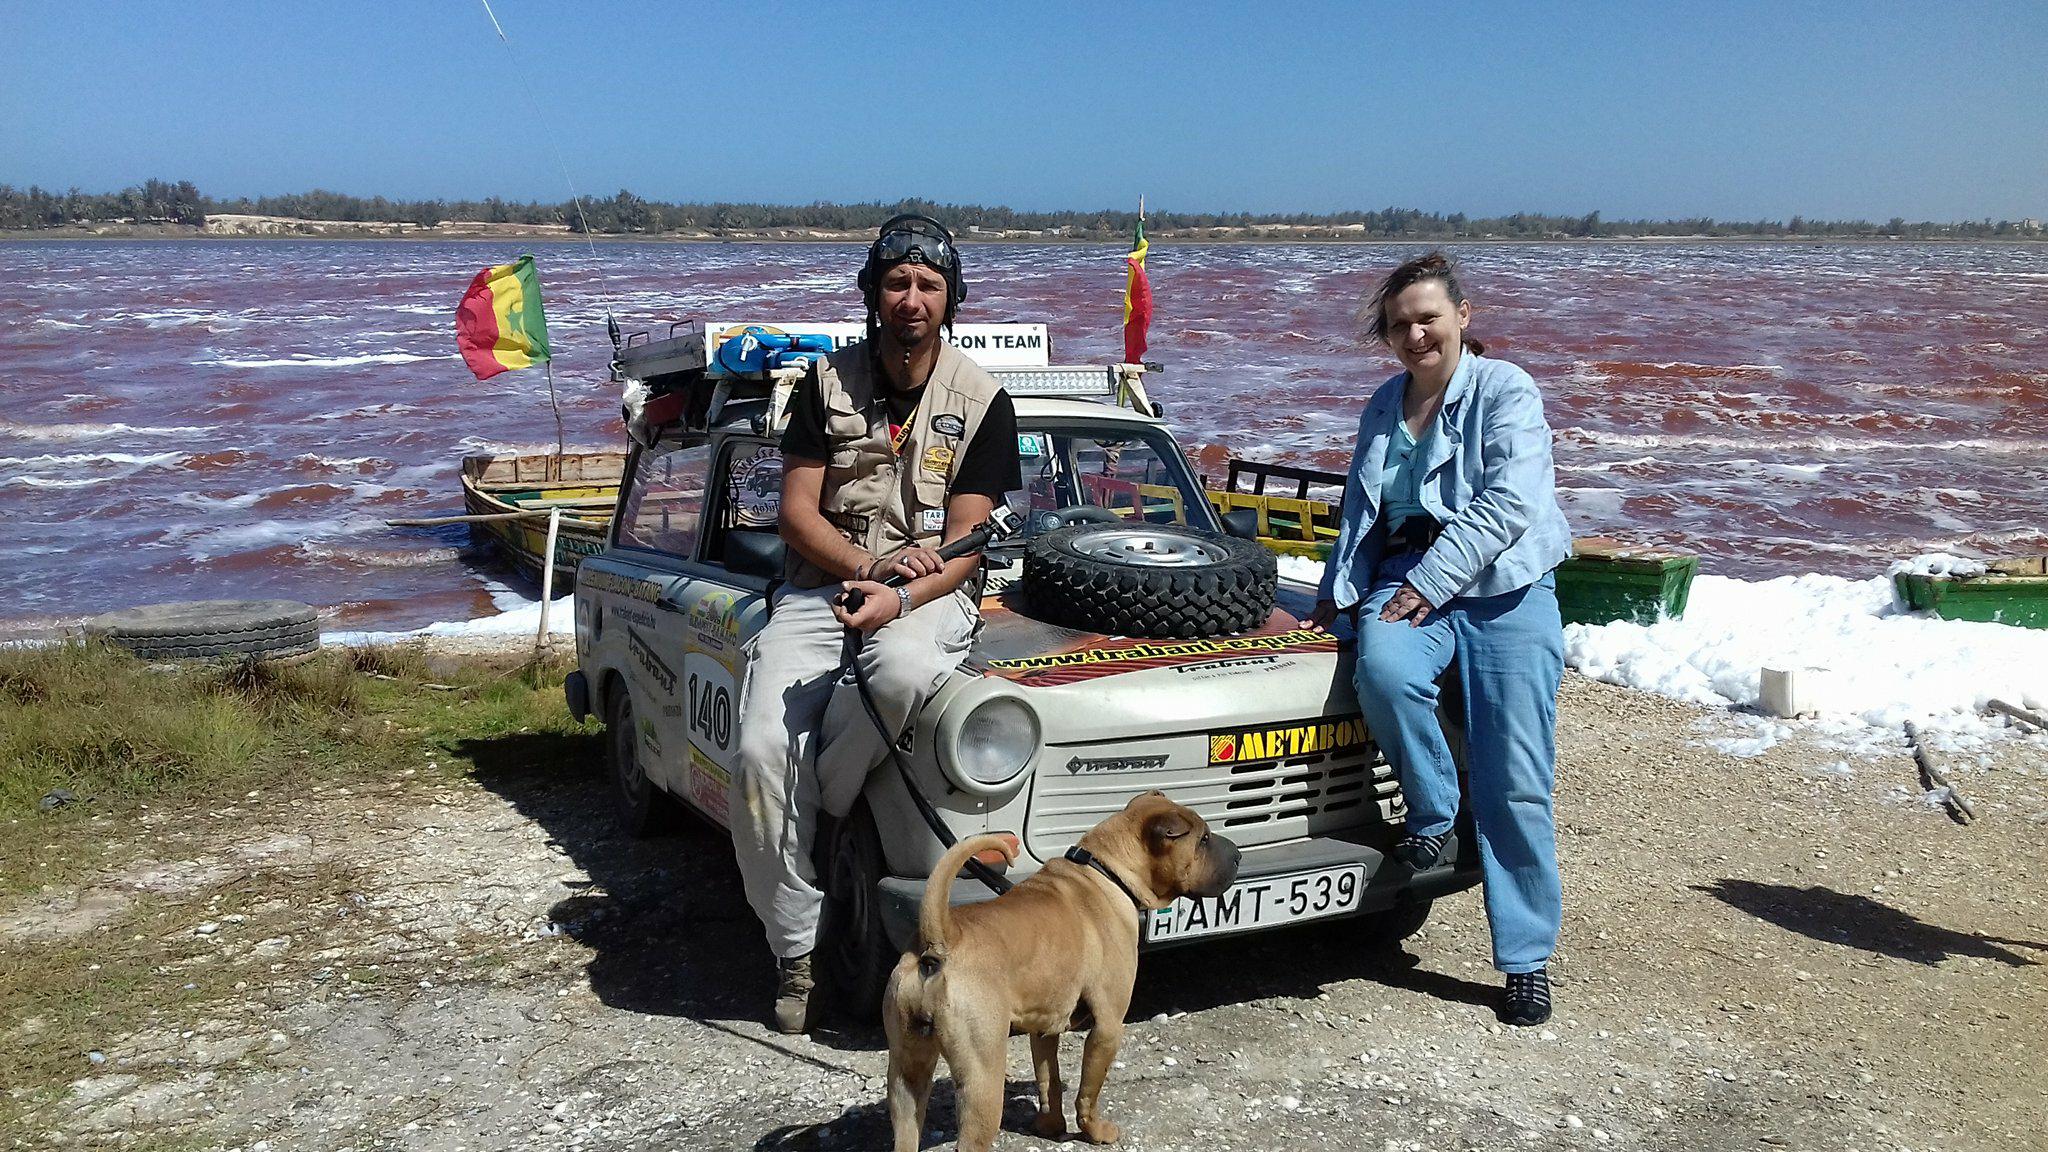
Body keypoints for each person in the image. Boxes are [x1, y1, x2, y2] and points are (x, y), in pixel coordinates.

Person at [730, 214, 1021, 1033]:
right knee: (758, 751)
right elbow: (794, 512)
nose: (912, 299)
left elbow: (968, 540)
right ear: (872, 293)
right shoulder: (824, 385)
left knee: (896, 675)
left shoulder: (984, 399)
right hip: (821, 590)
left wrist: (901, 595)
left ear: (951, 299)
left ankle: (814, 808)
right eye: (897, 282)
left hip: (926, 598)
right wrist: (864, 570)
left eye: (929, 285)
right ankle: (794, 951)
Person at [1307, 252, 1573, 1027]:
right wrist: (1337, 597)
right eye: (1400, 324)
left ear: (1464, 315)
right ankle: (1432, 812)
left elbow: (1510, 502)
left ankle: (1524, 958)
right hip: (1406, 572)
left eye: (1429, 317)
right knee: (1383, 672)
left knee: (1516, 775)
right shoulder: (1384, 403)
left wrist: (1434, 581)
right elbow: (1360, 513)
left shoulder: (1506, 389)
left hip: (1505, 586)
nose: (1416, 334)